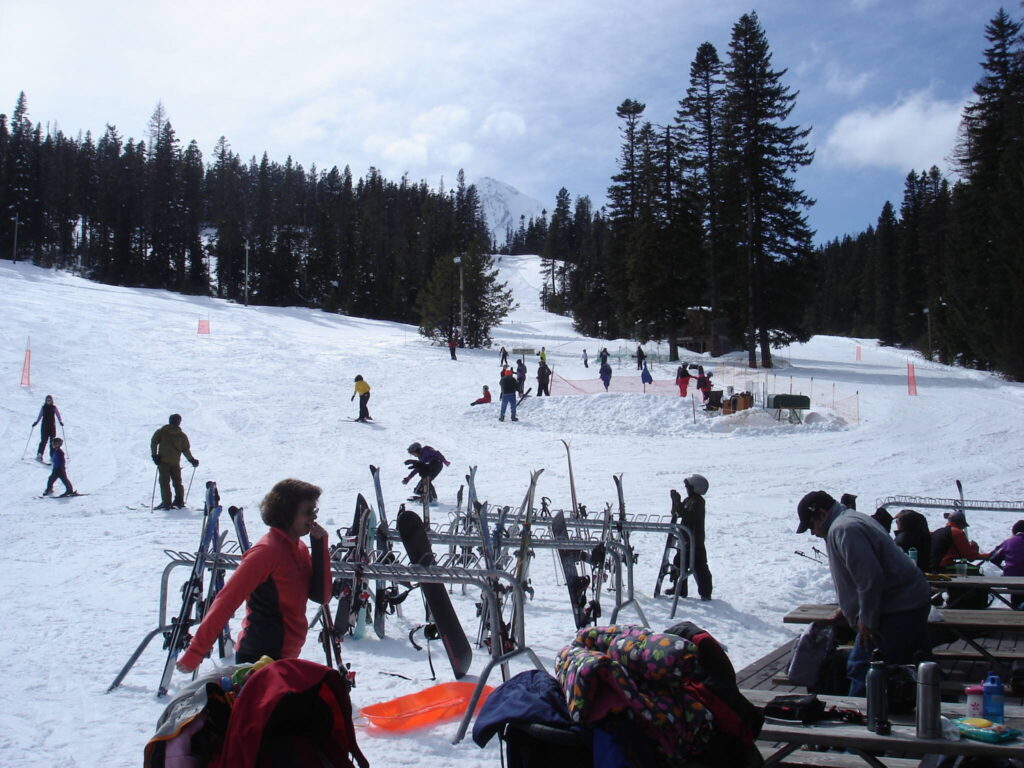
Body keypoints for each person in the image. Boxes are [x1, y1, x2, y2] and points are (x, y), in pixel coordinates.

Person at [176, 479, 330, 671]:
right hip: (258, 657)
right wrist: (195, 653)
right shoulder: (266, 552)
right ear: (287, 512)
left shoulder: (299, 548)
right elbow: (225, 601)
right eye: (308, 512)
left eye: (315, 511)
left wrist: (320, 547)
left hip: (286, 656)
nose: (313, 518)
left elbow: (321, 596)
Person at [796, 490, 930, 696]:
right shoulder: (850, 520)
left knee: (863, 668)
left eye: (811, 525)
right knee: (896, 667)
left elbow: (870, 578)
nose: (813, 533)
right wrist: (848, 607)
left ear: (822, 514)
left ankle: (862, 718)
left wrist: (867, 620)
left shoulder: (844, 529)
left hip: (896, 609)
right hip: (907, 603)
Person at [670, 474, 713, 601]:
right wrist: (675, 502)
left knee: (700, 567)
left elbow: (688, 516)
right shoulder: (688, 500)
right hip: (685, 540)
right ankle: (680, 589)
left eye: (688, 487)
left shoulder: (698, 502)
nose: (686, 489)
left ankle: (705, 593)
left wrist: (678, 502)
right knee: (679, 563)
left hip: (695, 542)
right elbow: (677, 513)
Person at [151, 414, 199, 510]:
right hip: (175, 463)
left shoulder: (161, 432)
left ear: (170, 421)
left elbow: (154, 443)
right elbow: (185, 450)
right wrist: (192, 460)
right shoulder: (181, 435)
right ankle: (179, 501)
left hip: (163, 462)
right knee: (177, 482)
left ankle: (166, 503)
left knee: (164, 482)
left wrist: (155, 456)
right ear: (179, 422)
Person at [989, 521, 1024, 608]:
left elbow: (992, 557)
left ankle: (1016, 611)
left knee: (1016, 597)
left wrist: (1006, 567)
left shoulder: (1008, 542)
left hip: (1011, 578)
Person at [32, 394, 63, 462]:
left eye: (50, 400)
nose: (48, 401)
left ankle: (52, 456)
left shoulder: (54, 408)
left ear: (52, 401)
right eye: (47, 400)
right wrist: (36, 422)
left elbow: (58, 415)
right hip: (44, 427)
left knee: (53, 442)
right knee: (43, 440)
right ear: (46, 401)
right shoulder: (44, 408)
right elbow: (40, 415)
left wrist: (60, 421)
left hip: (52, 427)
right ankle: (39, 454)